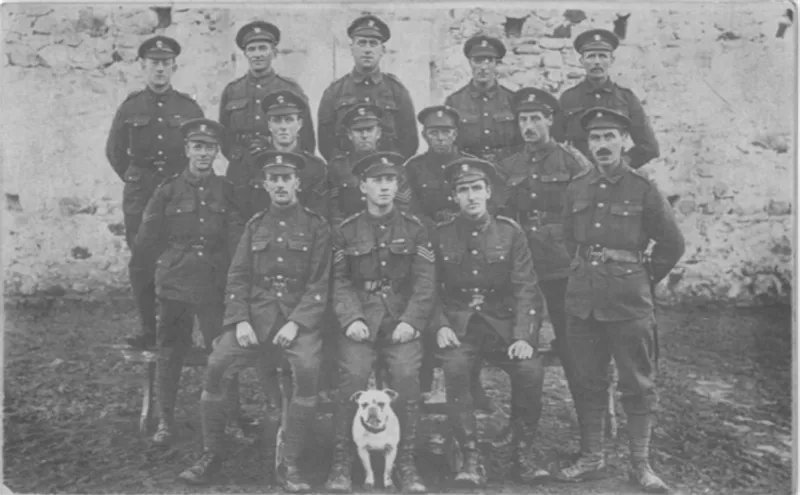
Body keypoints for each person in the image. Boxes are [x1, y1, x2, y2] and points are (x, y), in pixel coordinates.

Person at [179, 151, 331, 493]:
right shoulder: (254, 225)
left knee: (307, 370)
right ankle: (211, 455)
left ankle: (290, 463)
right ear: (265, 184)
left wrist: (298, 323)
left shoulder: (316, 226)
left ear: (298, 183)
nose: (280, 185)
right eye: (273, 179)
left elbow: (321, 283)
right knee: (216, 365)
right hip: (256, 317)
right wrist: (240, 320)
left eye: (286, 178)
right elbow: (238, 277)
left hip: (297, 320)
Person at [555, 108, 684, 493]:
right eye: (594, 139)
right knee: (588, 379)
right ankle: (592, 457)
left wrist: (639, 276)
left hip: (629, 302)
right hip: (583, 301)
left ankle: (640, 465)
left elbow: (672, 244)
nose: (601, 145)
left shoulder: (642, 188)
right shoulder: (577, 186)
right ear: (587, 145)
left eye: (609, 136)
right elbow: (567, 238)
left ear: (624, 141)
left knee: (637, 383)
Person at [432, 157, 548, 487]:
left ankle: (523, 451)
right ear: (454, 196)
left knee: (530, 370)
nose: (470, 196)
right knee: (454, 370)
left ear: (488, 192)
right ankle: (470, 457)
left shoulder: (510, 234)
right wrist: (440, 324)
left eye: (476, 189)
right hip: (459, 327)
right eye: (463, 190)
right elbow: (428, 288)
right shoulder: (440, 235)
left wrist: (524, 335)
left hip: (502, 326)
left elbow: (527, 287)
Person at [324, 152, 435, 493]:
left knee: (405, 375)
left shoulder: (417, 229)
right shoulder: (346, 230)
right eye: (377, 181)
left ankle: (405, 461)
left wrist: (412, 321)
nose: (385, 187)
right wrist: (351, 318)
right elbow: (339, 281)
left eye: (390, 180)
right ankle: (341, 461)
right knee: (354, 375)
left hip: (401, 319)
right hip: (361, 317)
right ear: (363, 186)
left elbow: (426, 281)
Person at [133, 118, 244, 445]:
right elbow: (146, 240)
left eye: (209, 148)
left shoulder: (227, 191)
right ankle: (166, 421)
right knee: (170, 351)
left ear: (216, 152)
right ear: (186, 150)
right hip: (176, 281)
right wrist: (163, 268)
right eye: (198, 146)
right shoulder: (167, 191)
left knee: (224, 352)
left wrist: (232, 280)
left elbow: (236, 239)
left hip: (213, 283)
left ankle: (230, 419)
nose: (203, 154)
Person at [498, 87, 591, 450]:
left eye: (536, 118)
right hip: (522, 266)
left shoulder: (571, 161)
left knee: (573, 345)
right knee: (521, 344)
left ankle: (588, 427)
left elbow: (586, 209)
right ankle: (519, 425)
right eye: (523, 119)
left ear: (550, 120)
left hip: (562, 265)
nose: (529, 126)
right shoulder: (509, 165)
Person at [105, 35, 204, 349]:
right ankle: (149, 330)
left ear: (174, 66)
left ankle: (181, 334)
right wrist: (136, 179)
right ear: (142, 66)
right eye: (153, 63)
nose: (159, 69)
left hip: (178, 193)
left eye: (165, 63)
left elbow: (199, 147)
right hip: (140, 195)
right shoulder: (131, 106)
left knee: (183, 260)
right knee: (143, 261)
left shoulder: (188, 107)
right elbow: (115, 152)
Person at [404, 105, 495, 412]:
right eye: (433, 132)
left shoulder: (471, 166)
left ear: (455, 134)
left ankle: (473, 385)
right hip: (431, 243)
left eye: (445, 132)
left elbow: (482, 208)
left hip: (467, 245)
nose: (439, 138)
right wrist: (437, 231)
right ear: (424, 135)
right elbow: (412, 210)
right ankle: (424, 385)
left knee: (472, 312)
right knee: (432, 303)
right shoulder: (414, 168)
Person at [219, 21, 316, 219]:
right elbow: (224, 135)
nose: (257, 54)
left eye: (263, 48)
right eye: (251, 49)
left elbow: (306, 140)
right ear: (245, 53)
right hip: (241, 170)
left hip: (279, 168)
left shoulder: (290, 89)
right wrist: (239, 156)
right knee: (238, 219)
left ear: (274, 52)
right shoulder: (232, 90)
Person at [317, 14, 418, 161]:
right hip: (347, 175)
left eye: (373, 43)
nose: (367, 50)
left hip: (386, 174)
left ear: (382, 50)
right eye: (362, 43)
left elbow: (409, 142)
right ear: (352, 48)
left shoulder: (397, 91)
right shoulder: (334, 92)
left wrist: (388, 167)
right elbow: (326, 143)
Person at [557, 29, 659, 169]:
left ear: (612, 60)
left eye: (603, 56)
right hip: (579, 178)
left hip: (616, 180)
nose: (597, 62)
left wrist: (621, 165)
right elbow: (556, 143)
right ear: (581, 61)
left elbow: (649, 146)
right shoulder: (568, 98)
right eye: (591, 56)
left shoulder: (626, 98)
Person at [327, 103, 413, 227]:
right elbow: (334, 211)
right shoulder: (338, 167)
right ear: (350, 135)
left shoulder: (393, 165)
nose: (364, 136)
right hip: (351, 232)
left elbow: (403, 207)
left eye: (369, 130)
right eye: (358, 131)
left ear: (378, 133)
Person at [249, 90, 328, 215]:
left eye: (289, 120)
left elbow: (319, 213)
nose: (283, 127)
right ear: (269, 124)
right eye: (277, 120)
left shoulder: (315, 167)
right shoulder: (254, 163)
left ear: (300, 123)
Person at [444, 35, 522, 163]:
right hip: (469, 169)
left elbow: (521, 144)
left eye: (489, 60)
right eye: (477, 61)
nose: (483, 67)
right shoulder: (454, 101)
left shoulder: (512, 99)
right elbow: (450, 145)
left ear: (496, 63)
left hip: (506, 169)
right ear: (470, 62)